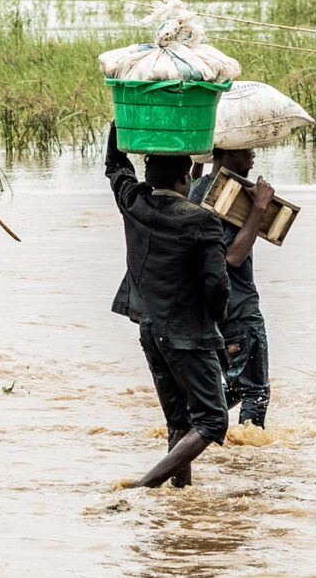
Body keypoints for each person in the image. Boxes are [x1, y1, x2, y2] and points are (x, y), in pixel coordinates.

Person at [106, 123, 232, 487]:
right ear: (184, 180)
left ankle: (180, 497)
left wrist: (119, 122)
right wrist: (218, 321)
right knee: (211, 421)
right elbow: (216, 285)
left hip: (150, 328)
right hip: (187, 332)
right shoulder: (202, 220)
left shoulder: (133, 201)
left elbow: (116, 165)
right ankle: (145, 487)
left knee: (179, 421)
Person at [188, 147, 280, 432]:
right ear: (228, 152)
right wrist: (260, 207)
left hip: (211, 312)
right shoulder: (229, 196)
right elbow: (232, 257)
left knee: (237, 387)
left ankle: (190, 428)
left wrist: (197, 165)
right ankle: (248, 463)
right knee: (255, 391)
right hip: (239, 310)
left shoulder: (198, 187)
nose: (253, 156)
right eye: (247, 150)